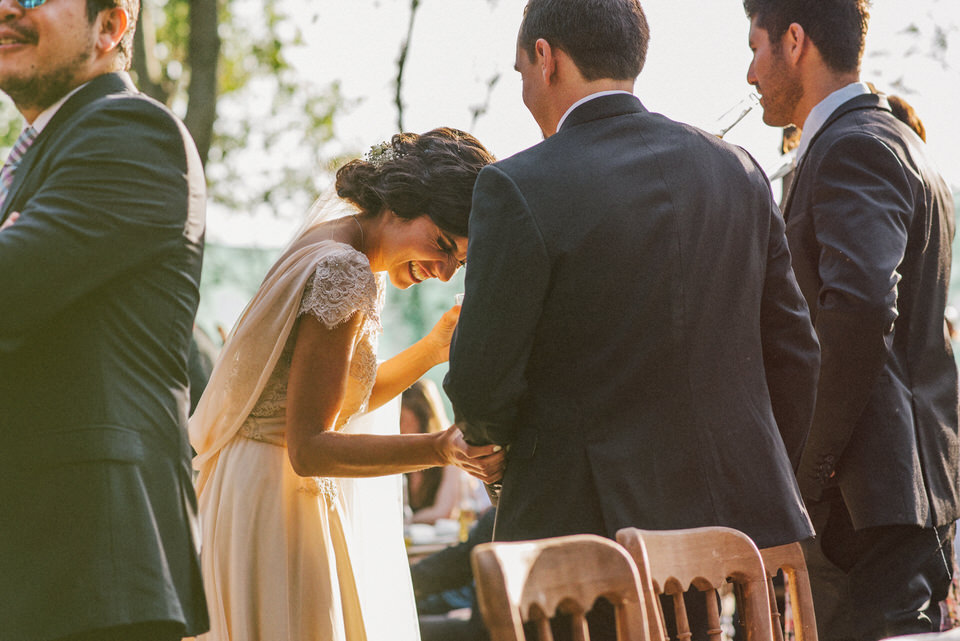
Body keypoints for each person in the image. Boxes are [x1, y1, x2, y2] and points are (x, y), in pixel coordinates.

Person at [445, 0, 820, 637]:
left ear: (546, 56)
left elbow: (481, 384)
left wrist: (491, 442)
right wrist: (743, 470)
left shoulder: (519, 186)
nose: (526, 94)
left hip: (584, 546)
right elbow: (795, 355)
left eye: (520, 73)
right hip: (725, 542)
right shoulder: (737, 170)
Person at [189, 127, 505, 641]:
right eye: (443, 244)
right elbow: (311, 447)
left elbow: (335, 400)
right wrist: (442, 447)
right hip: (279, 503)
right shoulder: (346, 269)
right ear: (402, 201)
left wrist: (430, 349)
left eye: (461, 260)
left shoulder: (342, 246)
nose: (446, 271)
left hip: (257, 488)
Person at [743, 1, 959, 638]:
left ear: (794, 40)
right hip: (897, 503)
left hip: (864, 514)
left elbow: (861, 310)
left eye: (754, 49)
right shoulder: (895, 141)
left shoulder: (853, 146)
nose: (749, 74)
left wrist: (808, 474)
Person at [0, 0, 210, 639]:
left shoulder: (129, 130)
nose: (8, 7)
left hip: (95, 565)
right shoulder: (41, 150)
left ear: (111, 26)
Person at [401, 378, 486, 524]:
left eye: (402, 419)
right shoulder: (401, 460)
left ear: (422, 416)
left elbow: (444, 511)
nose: (398, 427)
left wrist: (403, 523)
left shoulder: (450, 451)